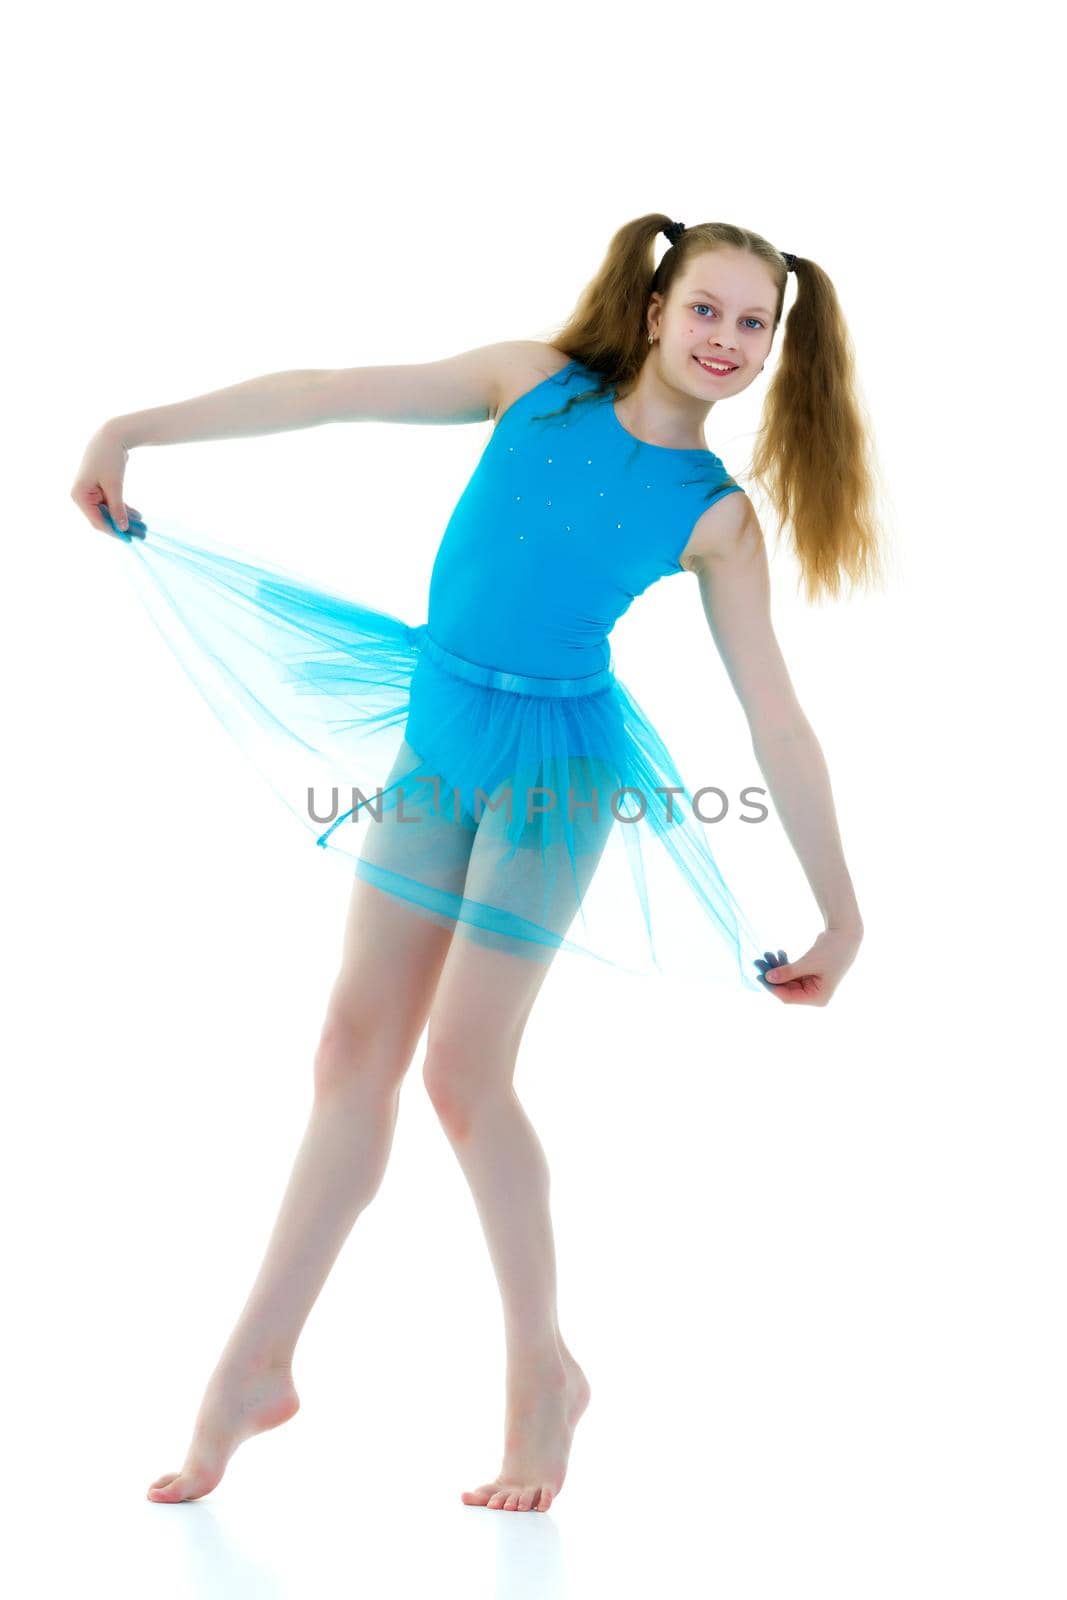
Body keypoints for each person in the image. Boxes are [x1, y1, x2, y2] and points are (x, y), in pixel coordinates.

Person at [70, 213, 884, 1514]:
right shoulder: (530, 383)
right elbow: (328, 396)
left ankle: (540, 1380)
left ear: (774, 346)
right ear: (658, 301)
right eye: (707, 310)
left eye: (753, 323)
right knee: (350, 1049)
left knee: (462, 1068)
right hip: (442, 728)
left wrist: (843, 916)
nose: (725, 339)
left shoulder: (717, 519)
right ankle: (255, 1366)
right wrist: (132, 425)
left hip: (557, 776)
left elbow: (773, 717)